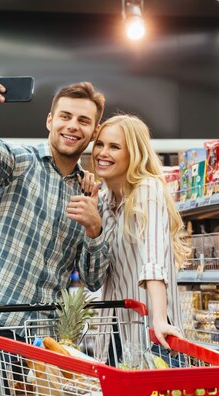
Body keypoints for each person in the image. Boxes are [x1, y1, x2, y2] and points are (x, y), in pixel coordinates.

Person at [0, 69, 109, 396]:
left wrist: (94, 229)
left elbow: (92, 279)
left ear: (94, 131)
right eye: (66, 116)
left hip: (45, 330)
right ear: (50, 120)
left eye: (83, 121)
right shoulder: (21, 161)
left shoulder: (88, 191)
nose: (73, 126)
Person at [69, 114, 187, 359]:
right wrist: (93, 225)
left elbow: (153, 260)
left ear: (133, 153)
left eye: (114, 147)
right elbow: (94, 278)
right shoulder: (104, 201)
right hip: (115, 330)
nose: (102, 153)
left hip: (151, 332)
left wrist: (159, 320)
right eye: (100, 144)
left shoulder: (147, 189)